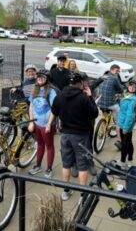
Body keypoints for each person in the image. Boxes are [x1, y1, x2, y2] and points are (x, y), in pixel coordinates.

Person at [49, 71, 98, 201]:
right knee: (82, 165)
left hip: (65, 135)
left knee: (66, 164)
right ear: (81, 83)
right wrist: (90, 97)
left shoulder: (60, 96)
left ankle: (66, 191)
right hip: (81, 136)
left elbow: (54, 111)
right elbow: (94, 113)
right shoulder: (83, 97)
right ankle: (83, 194)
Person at [28, 69, 57, 179]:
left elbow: (54, 109)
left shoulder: (51, 91)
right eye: (38, 77)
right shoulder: (35, 89)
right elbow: (31, 106)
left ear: (47, 79)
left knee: (49, 146)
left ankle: (49, 168)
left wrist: (49, 124)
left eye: (43, 77)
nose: (40, 79)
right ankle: (38, 165)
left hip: (46, 124)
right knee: (39, 144)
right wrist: (31, 122)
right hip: (37, 123)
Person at [97, 64, 124, 149]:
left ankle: (101, 132)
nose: (118, 72)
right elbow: (120, 90)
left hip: (100, 102)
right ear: (112, 70)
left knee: (103, 115)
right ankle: (120, 141)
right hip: (111, 104)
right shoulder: (115, 78)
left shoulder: (103, 76)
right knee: (119, 121)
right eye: (117, 71)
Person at [117, 79, 136, 169]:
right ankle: (130, 160)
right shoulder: (127, 96)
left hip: (126, 126)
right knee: (129, 143)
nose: (132, 87)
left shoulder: (133, 100)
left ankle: (122, 162)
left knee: (125, 144)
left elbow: (130, 115)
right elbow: (123, 111)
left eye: (134, 87)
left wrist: (125, 128)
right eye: (131, 85)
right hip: (122, 124)